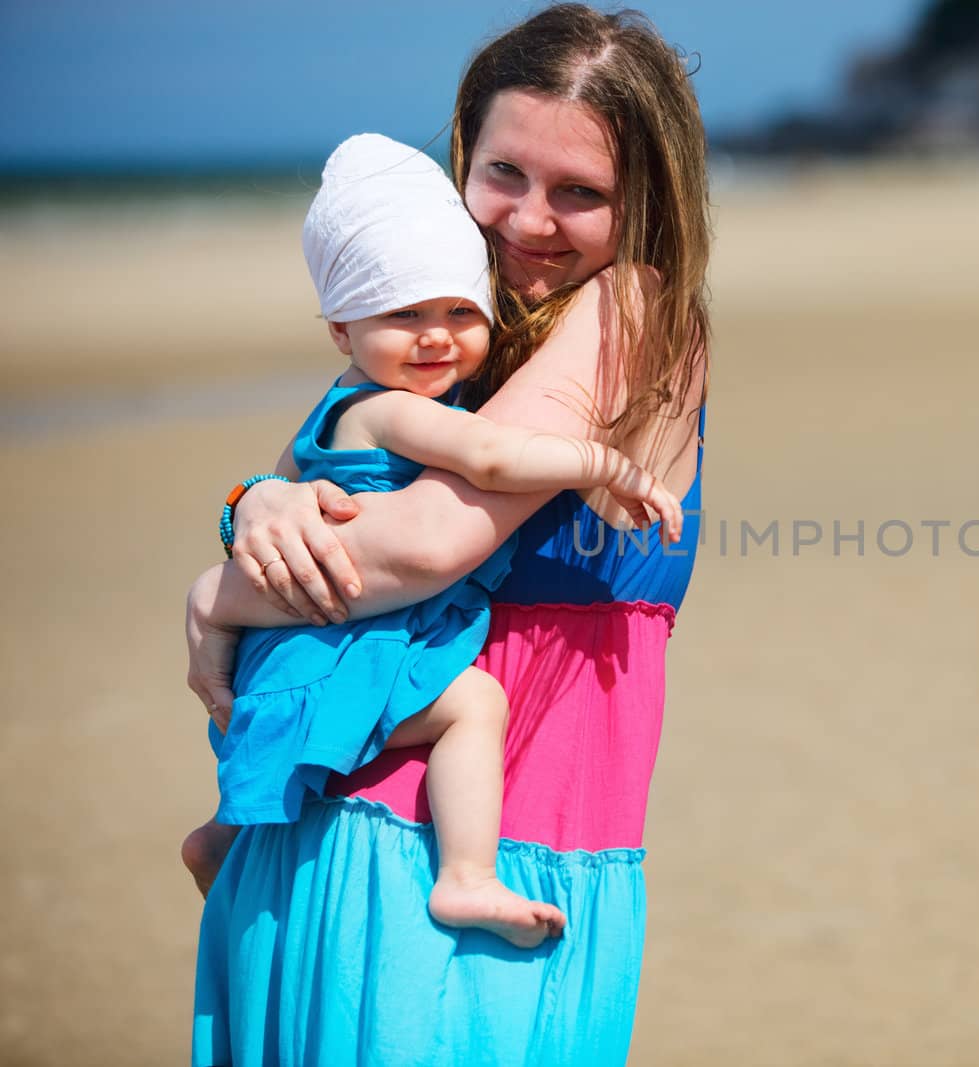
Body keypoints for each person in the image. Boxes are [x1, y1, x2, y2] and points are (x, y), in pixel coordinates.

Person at [185, 6, 710, 1064]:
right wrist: (254, 505)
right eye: (505, 174)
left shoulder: (635, 308)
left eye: (582, 193)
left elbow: (421, 544)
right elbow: (341, 484)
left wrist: (217, 593)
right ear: (461, 157)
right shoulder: (447, 349)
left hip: (469, 842)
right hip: (391, 834)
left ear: (646, 202)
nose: (529, 221)